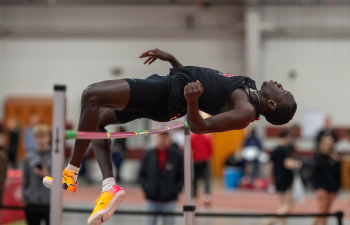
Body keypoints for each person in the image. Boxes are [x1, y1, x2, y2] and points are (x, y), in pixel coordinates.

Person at [43, 48, 297, 225]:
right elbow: (202, 83)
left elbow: (198, 127)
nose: (278, 83)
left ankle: (70, 174)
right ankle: (109, 186)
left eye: (282, 90)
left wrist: (191, 102)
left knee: (91, 95)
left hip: (166, 95)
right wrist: (175, 61)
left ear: (272, 105)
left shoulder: (245, 111)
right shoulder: (249, 88)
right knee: (95, 121)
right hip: (169, 85)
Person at [139, 132, 184, 225]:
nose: (162, 138)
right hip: (151, 200)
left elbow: (181, 176)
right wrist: (147, 188)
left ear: (169, 138)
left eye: (165, 136)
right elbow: (141, 174)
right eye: (160, 135)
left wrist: (174, 190)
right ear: (156, 137)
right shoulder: (148, 154)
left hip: (169, 201)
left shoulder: (176, 156)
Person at [264, 130, 301, 225]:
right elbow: (287, 163)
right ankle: (269, 221)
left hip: (278, 178)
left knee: (284, 205)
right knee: (288, 206)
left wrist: (271, 178)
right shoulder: (285, 149)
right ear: (287, 137)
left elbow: (270, 165)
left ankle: (283, 223)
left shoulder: (275, 149)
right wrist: (296, 164)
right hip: (285, 179)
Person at [23, 124, 52, 225]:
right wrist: (25, 195)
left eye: (43, 137)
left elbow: (61, 180)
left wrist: (47, 176)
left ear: (48, 137)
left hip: (49, 201)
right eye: (38, 137)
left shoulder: (55, 155)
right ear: (34, 138)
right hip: (32, 200)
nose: (41, 140)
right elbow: (25, 178)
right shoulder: (29, 156)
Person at [312, 135, 340, 225]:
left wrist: (336, 189)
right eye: (327, 143)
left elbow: (336, 174)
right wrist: (318, 188)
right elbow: (314, 174)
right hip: (322, 188)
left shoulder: (333, 157)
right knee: (322, 213)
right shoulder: (318, 157)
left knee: (325, 213)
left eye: (331, 144)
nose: (329, 145)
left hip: (331, 187)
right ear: (322, 144)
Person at [191, 132, 212, 205]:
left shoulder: (192, 138)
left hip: (196, 160)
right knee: (206, 178)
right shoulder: (206, 137)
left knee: (195, 179)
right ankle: (207, 195)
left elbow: (190, 148)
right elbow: (210, 149)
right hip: (204, 160)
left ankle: (194, 196)